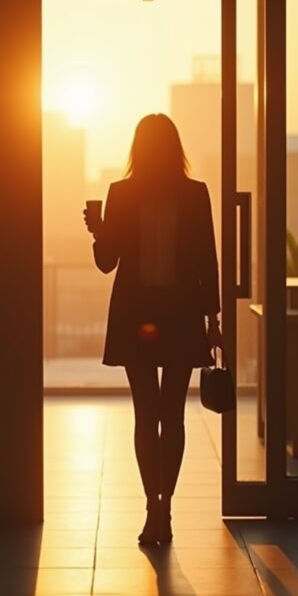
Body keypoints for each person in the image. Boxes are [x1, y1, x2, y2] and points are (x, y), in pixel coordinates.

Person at [83, 113, 222, 546]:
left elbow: (205, 260)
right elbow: (111, 259)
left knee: (153, 415)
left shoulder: (128, 192)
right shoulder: (188, 193)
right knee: (165, 415)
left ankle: (156, 506)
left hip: (155, 316)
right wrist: (100, 230)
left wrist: (212, 320)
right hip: (172, 317)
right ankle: (161, 506)